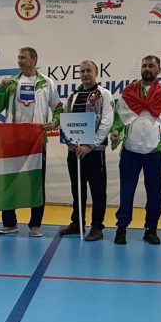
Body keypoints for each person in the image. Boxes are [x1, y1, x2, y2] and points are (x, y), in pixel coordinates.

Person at [0, 47, 62, 237]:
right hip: (12, 141)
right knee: (9, 182)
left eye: (23, 57)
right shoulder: (11, 83)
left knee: (36, 183)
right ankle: (9, 223)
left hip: (37, 141)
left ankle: (35, 224)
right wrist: (1, 89)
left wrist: (55, 121)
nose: (19, 61)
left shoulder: (46, 83)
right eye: (18, 57)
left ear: (34, 60)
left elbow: (58, 107)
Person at [111, 55, 161, 245]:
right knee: (126, 191)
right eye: (144, 66)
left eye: (151, 66)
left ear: (159, 70)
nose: (147, 68)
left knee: (154, 193)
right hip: (130, 151)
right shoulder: (128, 92)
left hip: (155, 152)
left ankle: (151, 229)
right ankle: (122, 227)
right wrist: (115, 132)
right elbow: (119, 117)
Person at [58, 60, 114, 242]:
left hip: (94, 152)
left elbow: (106, 122)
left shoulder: (104, 95)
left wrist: (90, 145)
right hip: (75, 151)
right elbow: (65, 119)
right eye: (82, 71)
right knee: (77, 188)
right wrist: (68, 141)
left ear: (96, 72)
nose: (85, 74)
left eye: (88, 71)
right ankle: (77, 222)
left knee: (98, 190)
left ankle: (97, 226)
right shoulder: (72, 96)